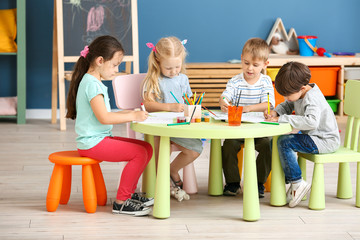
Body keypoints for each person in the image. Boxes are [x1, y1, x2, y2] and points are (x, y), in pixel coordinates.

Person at [66, 35, 154, 216]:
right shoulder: (92, 84)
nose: (117, 70)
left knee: (146, 147)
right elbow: (105, 118)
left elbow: (106, 115)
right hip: (93, 143)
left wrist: (133, 113)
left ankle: (128, 194)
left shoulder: (92, 81)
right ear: (100, 61)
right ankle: (122, 201)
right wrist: (131, 115)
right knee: (139, 153)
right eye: (114, 65)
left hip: (98, 139)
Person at [265, 61, 341, 207]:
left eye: (287, 95)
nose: (286, 98)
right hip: (314, 137)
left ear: (302, 88)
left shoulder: (311, 98)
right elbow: (288, 104)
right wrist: (276, 112)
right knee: (275, 143)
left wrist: (281, 119)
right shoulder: (300, 92)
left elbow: (311, 122)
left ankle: (297, 182)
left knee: (284, 142)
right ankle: (292, 183)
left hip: (324, 140)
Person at [142, 36, 203, 189]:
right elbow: (147, 104)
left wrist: (193, 106)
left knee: (196, 149)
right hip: (159, 128)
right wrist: (169, 107)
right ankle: (160, 182)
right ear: (157, 62)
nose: (173, 71)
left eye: (177, 66)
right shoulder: (154, 79)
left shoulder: (183, 79)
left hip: (179, 126)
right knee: (162, 148)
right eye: (168, 68)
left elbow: (189, 99)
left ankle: (172, 170)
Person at [219, 38, 275, 198]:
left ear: (265, 64)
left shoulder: (265, 82)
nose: (250, 68)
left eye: (255, 65)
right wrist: (223, 102)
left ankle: (258, 183)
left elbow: (269, 104)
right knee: (228, 146)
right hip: (238, 129)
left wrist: (249, 108)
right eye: (246, 63)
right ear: (241, 58)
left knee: (267, 145)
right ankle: (232, 183)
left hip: (258, 130)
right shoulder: (235, 81)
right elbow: (225, 96)